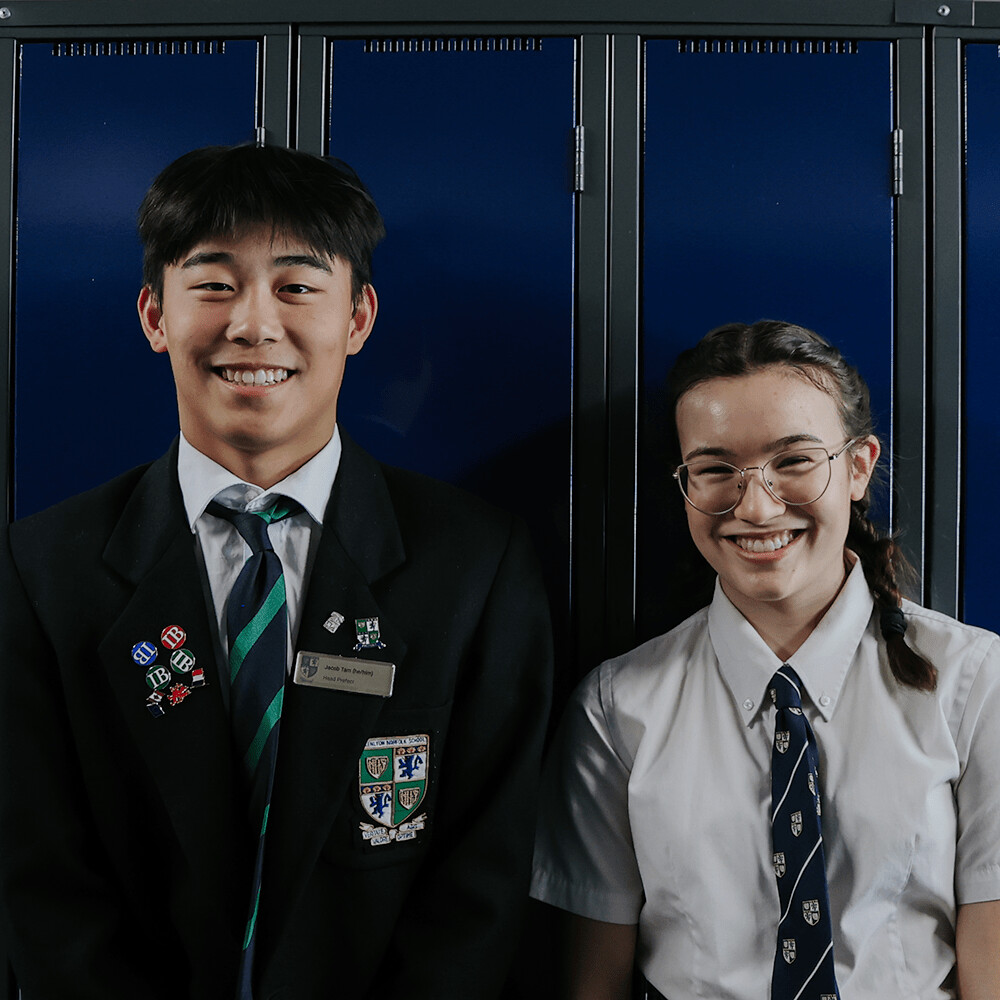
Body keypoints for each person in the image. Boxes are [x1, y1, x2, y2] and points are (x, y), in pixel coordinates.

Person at [0, 143, 552, 999]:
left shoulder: (474, 565)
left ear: (358, 319)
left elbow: (481, 883)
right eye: (214, 284)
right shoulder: (41, 572)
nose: (254, 324)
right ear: (154, 316)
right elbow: (40, 886)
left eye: (297, 287)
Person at [530, 320, 1000, 1000]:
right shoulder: (616, 710)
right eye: (716, 469)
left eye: (795, 461)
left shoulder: (975, 682)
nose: (755, 505)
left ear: (860, 467)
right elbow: (592, 983)